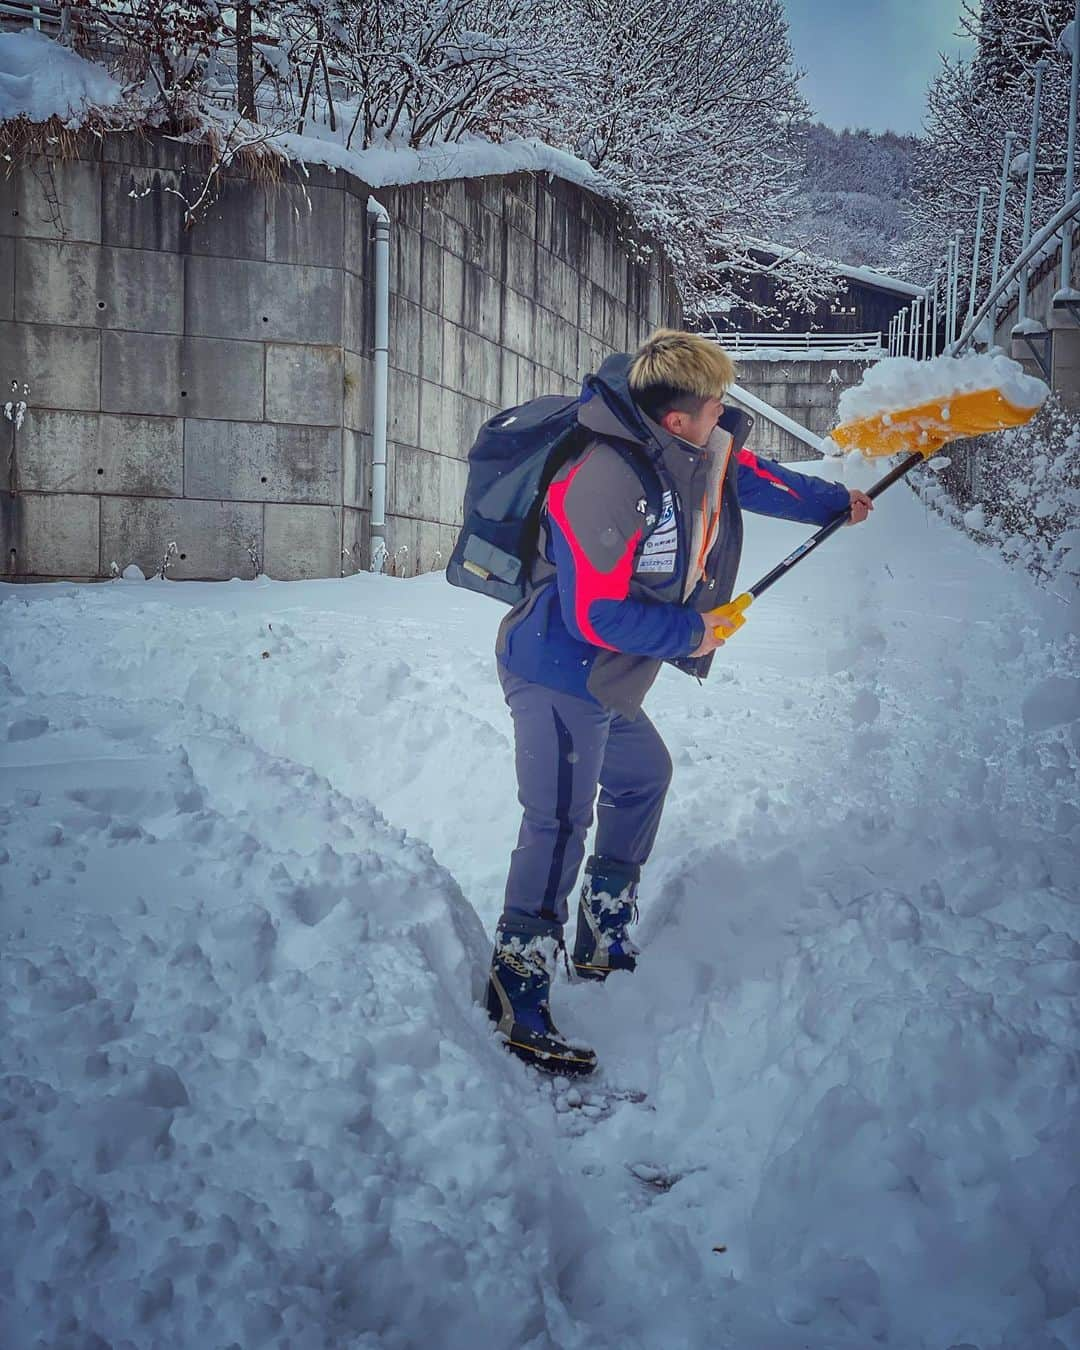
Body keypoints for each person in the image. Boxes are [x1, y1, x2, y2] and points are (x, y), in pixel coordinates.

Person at [485, 329, 873, 1075]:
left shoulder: (695, 454)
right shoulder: (602, 479)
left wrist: (835, 503)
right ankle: (517, 982)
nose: (724, 413)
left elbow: (752, 477)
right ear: (675, 420)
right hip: (557, 671)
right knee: (559, 820)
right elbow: (592, 614)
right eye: (715, 403)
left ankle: (602, 927)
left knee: (641, 778)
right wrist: (691, 630)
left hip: (606, 677)